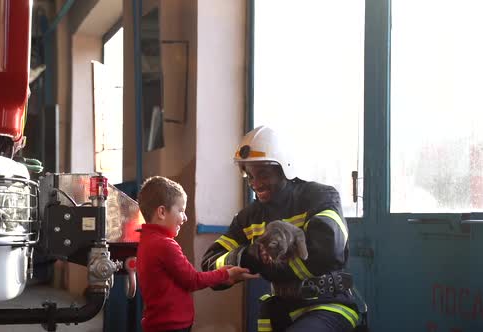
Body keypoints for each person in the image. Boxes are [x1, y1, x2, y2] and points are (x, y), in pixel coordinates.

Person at [201, 126, 360, 332]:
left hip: (329, 305)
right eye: (249, 175)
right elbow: (209, 265)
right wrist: (246, 255)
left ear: (284, 168)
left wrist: (265, 264)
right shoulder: (248, 218)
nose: (255, 183)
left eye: (263, 174)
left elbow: (326, 252)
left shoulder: (320, 197)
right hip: (279, 312)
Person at [137, 176, 259, 332]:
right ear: (161, 212)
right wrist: (225, 274)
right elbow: (192, 280)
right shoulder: (164, 244)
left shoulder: (147, 241)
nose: (185, 218)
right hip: (171, 326)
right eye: (181, 210)